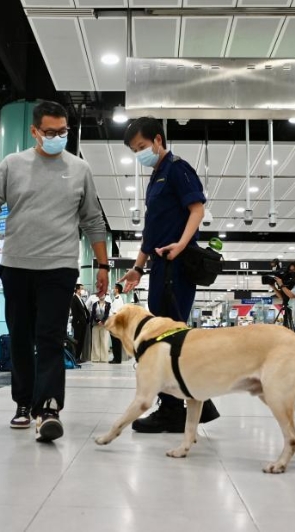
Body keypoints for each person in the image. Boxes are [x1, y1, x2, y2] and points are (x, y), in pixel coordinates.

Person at [0, 100, 108, 442]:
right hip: (16, 265)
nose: (58, 137)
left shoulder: (79, 169)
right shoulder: (13, 164)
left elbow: (92, 218)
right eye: (51, 132)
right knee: (20, 337)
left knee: (50, 336)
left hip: (59, 266)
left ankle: (48, 406)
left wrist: (103, 264)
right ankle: (23, 402)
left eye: (63, 132)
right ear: (34, 131)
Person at [118, 117, 219, 434]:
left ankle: (174, 409)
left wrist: (181, 244)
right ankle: (193, 403)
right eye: (135, 150)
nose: (140, 154)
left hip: (177, 263)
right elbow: (151, 230)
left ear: (158, 140)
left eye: (142, 147)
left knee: (166, 338)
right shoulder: (155, 178)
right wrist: (137, 267)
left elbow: (197, 209)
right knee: (162, 335)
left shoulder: (177, 168)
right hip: (160, 265)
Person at [88, 293, 111, 363]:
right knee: (95, 342)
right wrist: (98, 321)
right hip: (95, 324)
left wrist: (102, 321)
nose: (102, 296)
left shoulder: (108, 304)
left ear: (105, 296)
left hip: (104, 325)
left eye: (103, 295)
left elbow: (107, 314)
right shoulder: (95, 304)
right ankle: (95, 358)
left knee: (104, 341)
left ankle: (104, 358)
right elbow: (93, 314)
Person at [70, 284, 90, 362]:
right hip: (78, 323)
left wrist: (87, 318)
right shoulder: (74, 298)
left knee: (81, 340)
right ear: (77, 290)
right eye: (82, 289)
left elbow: (84, 310)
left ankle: (78, 356)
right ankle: (75, 357)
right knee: (77, 340)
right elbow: (74, 311)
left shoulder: (80, 299)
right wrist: (77, 321)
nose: (83, 291)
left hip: (83, 323)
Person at [109, 283, 125, 364]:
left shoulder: (118, 299)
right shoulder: (116, 298)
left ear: (117, 289)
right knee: (115, 342)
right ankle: (116, 358)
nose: (113, 290)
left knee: (116, 342)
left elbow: (116, 313)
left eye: (114, 288)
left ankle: (117, 359)